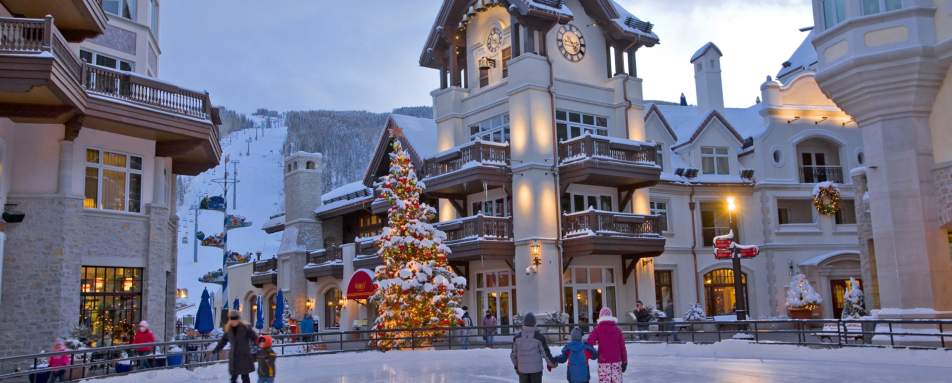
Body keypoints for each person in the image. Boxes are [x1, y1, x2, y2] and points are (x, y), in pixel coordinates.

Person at [213, 310, 258, 383]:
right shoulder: (229, 330)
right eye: (232, 318)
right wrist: (217, 349)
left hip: (244, 356)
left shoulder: (245, 328)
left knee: (245, 377)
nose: (234, 321)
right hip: (234, 357)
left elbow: (254, 337)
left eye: (235, 318)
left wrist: (260, 344)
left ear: (238, 319)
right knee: (233, 378)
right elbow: (223, 341)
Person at [510, 313, 556, 383]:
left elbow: (513, 355)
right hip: (536, 371)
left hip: (522, 370)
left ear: (524, 323)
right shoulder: (539, 337)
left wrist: (517, 366)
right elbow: (546, 354)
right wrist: (552, 363)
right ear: (534, 323)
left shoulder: (517, 338)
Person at [587, 307, 627, 383]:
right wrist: (624, 361)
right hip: (616, 361)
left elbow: (590, 342)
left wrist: (593, 353)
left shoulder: (598, 329)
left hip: (603, 361)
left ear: (600, 317)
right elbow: (622, 347)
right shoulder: (617, 330)